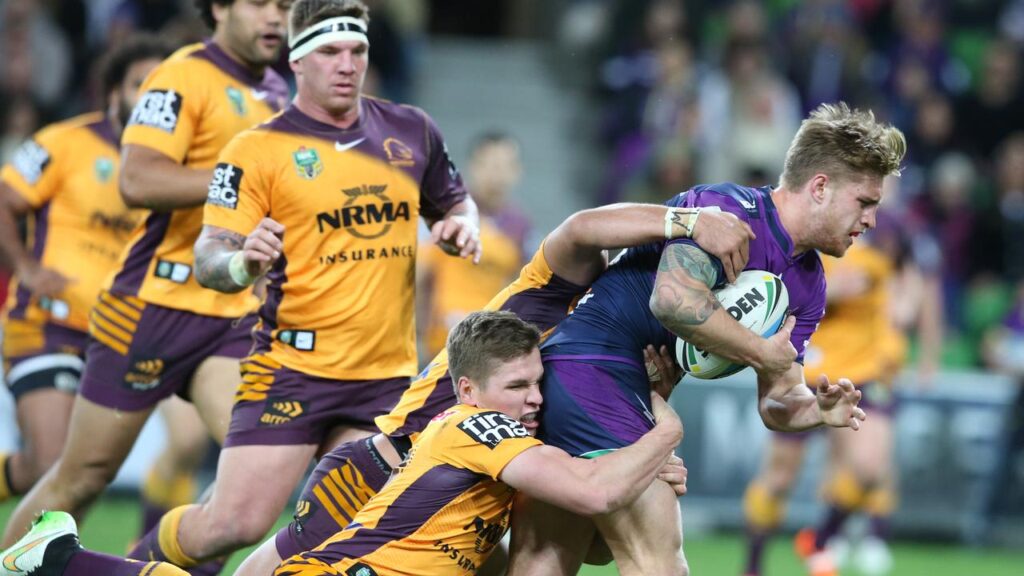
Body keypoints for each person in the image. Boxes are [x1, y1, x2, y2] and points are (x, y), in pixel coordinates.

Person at [126, 0, 482, 569]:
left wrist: (461, 225)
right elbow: (208, 256)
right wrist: (243, 264)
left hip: (383, 379)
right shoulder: (254, 150)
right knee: (233, 524)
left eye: (357, 50)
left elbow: (456, 199)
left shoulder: (411, 129)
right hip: (292, 371)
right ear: (295, 60)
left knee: (352, 530)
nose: (347, 64)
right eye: (330, 51)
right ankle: (133, 563)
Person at [236, 201, 756, 575]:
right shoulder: (550, 291)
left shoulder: (604, 360)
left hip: (471, 499)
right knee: (235, 534)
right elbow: (580, 227)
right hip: (386, 468)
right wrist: (686, 220)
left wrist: (639, 447)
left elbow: (592, 534)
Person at [507, 102, 906, 576]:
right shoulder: (729, 211)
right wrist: (762, 353)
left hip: (616, 387)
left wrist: (814, 410)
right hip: (592, 367)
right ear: (820, 186)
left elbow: (776, 400)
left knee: (548, 556)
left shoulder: (809, 283)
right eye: (865, 202)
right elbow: (673, 300)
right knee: (660, 561)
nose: (872, 221)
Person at [1, 0, 291, 553]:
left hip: (229, 313)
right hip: (151, 308)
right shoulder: (181, 75)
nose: (275, 17)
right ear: (220, 8)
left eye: (283, 5)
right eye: (259, 4)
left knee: (257, 471)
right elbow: (137, 179)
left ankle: (145, 565)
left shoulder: (278, 94)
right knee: (80, 476)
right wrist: (240, 180)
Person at [273, 310, 684, 575]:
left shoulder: (516, 457)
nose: (537, 397)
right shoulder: (477, 427)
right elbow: (595, 492)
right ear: (468, 390)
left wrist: (635, 462)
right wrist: (663, 434)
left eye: (538, 382)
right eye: (517, 385)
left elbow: (593, 549)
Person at [0, 36, 169, 505]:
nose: (150, 101)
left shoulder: (170, 170)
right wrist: (26, 269)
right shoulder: (63, 142)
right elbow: (4, 200)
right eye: (140, 86)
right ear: (113, 93)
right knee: (57, 469)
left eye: (161, 91)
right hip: (48, 324)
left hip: (119, 338)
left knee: (66, 474)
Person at [741, 209, 938, 576]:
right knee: (780, 476)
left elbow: (919, 291)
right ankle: (753, 564)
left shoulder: (890, 236)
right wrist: (832, 294)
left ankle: (821, 538)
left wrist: (920, 348)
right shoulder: (808, 241)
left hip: (865, 372)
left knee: (869, 469)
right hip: (808, 371)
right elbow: (779, 299)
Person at [417, 130, 530, 360]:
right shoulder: (443, 213)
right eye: (489, 165)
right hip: (439, 348)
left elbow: (519, 287)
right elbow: (418, 277)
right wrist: (417, 336)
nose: (497, 175)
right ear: (472, 167)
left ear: (518, 171)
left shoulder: (520, 227)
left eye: (504, 166)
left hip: (489, 350)